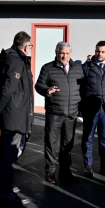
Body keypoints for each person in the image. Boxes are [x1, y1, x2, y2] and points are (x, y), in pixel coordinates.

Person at [0, 31, 34, 205]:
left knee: (4, 153)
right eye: (30, 46)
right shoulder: (16, 60)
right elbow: (8, 88)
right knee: (9, 154)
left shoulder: (8, 56)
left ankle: (2, 185)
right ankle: (5, 192)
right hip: (14, 114)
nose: (30, 49)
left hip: (11, 112)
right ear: (24, 46)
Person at [35, 42, 84, 185]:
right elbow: (39, 84)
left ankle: (65, 171)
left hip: (72, 113)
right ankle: (50, 171)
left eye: (67, 53)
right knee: (51, 143)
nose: (64, 56)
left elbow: (84, 86)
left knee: (67, 144)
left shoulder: (78, 69)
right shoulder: (48, 68)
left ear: (70, 53)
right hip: (54, 113)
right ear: (56, 52)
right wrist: (46, 90)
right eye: (61, 53)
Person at [81, 41, 105, 179]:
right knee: (88, 137)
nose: (100, 54)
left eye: (103, 51)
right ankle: (88, 167)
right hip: (91, 107)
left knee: (104, 139)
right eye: (97, 51)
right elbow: (82, 88)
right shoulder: (86, 67)